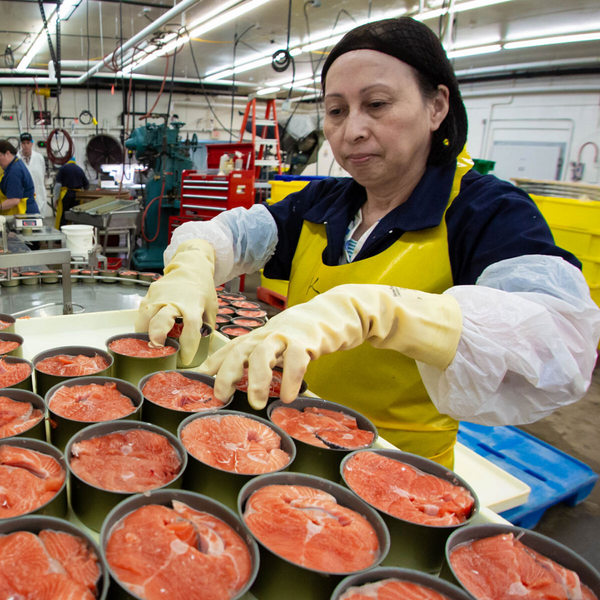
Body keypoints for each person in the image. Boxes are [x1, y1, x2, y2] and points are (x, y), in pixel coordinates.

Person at [136, 18, 600, 468]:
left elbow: (560, 347)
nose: (351, 130)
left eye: (376, 104)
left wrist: (383, 310)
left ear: (437, 106)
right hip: (289, 444)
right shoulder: (323, 203)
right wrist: (193, 263)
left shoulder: (484, 212)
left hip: (402, 471)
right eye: (336, 111)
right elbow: (228, 235)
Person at [0, 140, 38, 215]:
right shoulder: (15, 164)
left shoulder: (14, 171)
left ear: (7, 153)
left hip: (25, 214)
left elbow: (14, 200)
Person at [53, 156, 90, 228]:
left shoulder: (63, 168)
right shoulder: (80, 170)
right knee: (76, 216)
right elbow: (86, 185)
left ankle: (61, 236)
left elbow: (58, 185)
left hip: (66, 194)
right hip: (77, 196)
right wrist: (85, 197)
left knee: (63, 216)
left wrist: (56, 198)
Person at [18, 133, 48, 218]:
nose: (26, 145)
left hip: (39, 197)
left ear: (32, 143)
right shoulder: (16, 159)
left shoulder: (39, 158)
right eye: (24, 143)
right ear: (21, 144)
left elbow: (42, 178)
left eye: (28, 143)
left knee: (38, 224)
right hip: (23, 198)